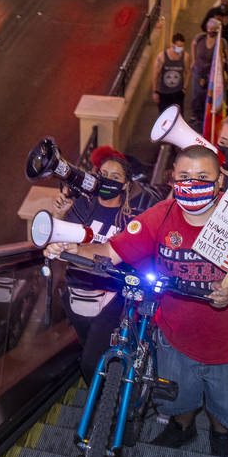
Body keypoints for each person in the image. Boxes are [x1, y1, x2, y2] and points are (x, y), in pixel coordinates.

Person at [43, 146, 228, 457]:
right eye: (185, 176)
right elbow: (111, 252)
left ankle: (221, 435)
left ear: (219, 184)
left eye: (203, 177)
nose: (193, 183)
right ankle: (181, 428)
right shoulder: (160, 217)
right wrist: (73, 248)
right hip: (175, 337)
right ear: (173, 180)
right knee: (178, 397)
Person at [51, 150, 161, 383]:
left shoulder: (133, 216)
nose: (107, 179)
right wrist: (60, 213)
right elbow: (59, 239)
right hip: (77, 289)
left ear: (125, 185)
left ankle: (102, 404)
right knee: (87, 343)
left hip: (113, 293)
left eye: (115, 176)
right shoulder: (82, 204)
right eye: (103, 174)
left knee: (91, 362)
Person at [190, 19, 228, 126]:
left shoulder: (222, 42)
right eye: (210, 29)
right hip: (199, 71)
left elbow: (225, 57)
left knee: (209, 94)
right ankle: (196, 115)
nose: (211, 32)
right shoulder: (200, 38)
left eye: (214, 30)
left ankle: (206, 116)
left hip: (212, 73)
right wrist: (193, 60)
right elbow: (193, 44)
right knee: (197, 94)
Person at [152, 32, 188, 112]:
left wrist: (184, 88)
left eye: (182, 46)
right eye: (179, 46)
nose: (180, 49)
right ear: (172, 44)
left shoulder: (185, 57)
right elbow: (155, 75)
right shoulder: (162, 57)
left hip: (178, 93)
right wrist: (155, 91)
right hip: (164, 93)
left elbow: (188, 72)